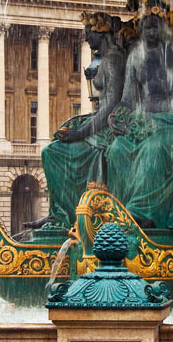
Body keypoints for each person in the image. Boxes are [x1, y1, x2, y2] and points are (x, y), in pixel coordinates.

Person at [106, 7, 173, 229]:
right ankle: (119, 211)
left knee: (154, 149)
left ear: (164, 28)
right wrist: (114, 116)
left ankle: (141, 213)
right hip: (145, 122)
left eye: (156, 27)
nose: (151, 32)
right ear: (140, 29)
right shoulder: (135, 57)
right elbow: (128, 99)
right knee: (117, 149)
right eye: (147, 27)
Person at [34, 12, 127, 228]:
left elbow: (111, 107)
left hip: (108, 131)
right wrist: (79, 123)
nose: (86, 39)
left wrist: (80, 132)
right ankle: (61, 213)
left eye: (88, 33)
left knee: (52, 153)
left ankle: (63, 215)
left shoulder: (112, 60)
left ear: (101, 33)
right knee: (58, 142)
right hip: (103, 125)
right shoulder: (107, 59)